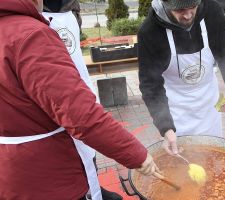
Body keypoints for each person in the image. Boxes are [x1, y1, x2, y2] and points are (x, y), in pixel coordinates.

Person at [0, 0, 161, 199]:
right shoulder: (29, 35)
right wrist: (137, 155)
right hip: (47, 176)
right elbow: (81, 115)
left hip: (11, 176)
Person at [41, 1, 123, 199]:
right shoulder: (31, 13)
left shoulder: (71, 6)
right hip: (52, 97)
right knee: (64, 153)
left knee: (87, 147)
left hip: (81, 86)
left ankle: (92, 186)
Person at [138, 0, 225, 155]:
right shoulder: (150, 31)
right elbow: (150, 85)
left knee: (213, 156)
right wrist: (166, 128)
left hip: (209, 104)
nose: (187, 15)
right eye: (180, 10)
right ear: (166, 5)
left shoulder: (212, 11)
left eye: (192, 7)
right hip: (176, 112)